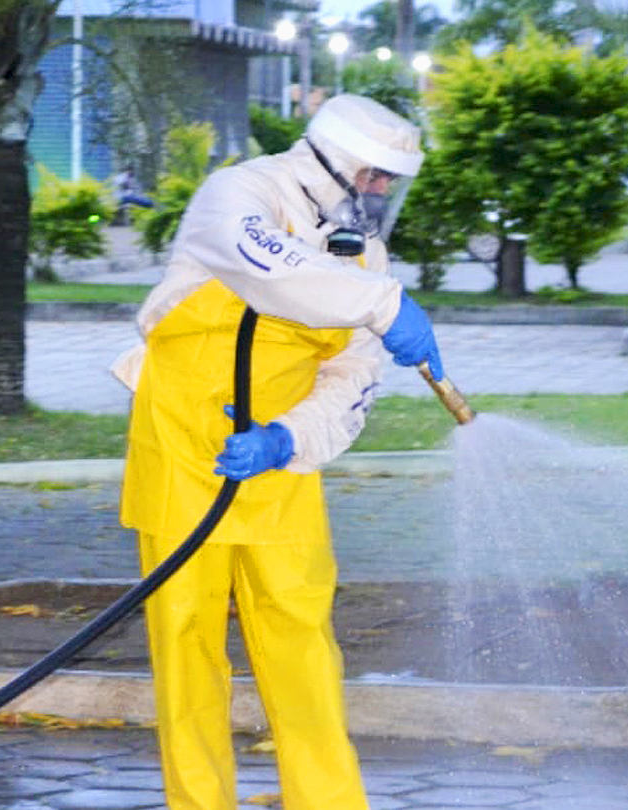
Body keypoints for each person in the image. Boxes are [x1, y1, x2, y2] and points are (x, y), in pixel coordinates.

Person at [110, 94, 443, 810]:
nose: (381, 190)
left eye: (393, 180)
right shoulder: (239, 193)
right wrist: (381, 301)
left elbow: (352, 377)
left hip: (279, 461)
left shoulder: (364, 254)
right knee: (186, 642)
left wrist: (291, 436)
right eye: (374, 174)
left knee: (303, 642)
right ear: (332, 158)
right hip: (181, 448)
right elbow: (269, 265)